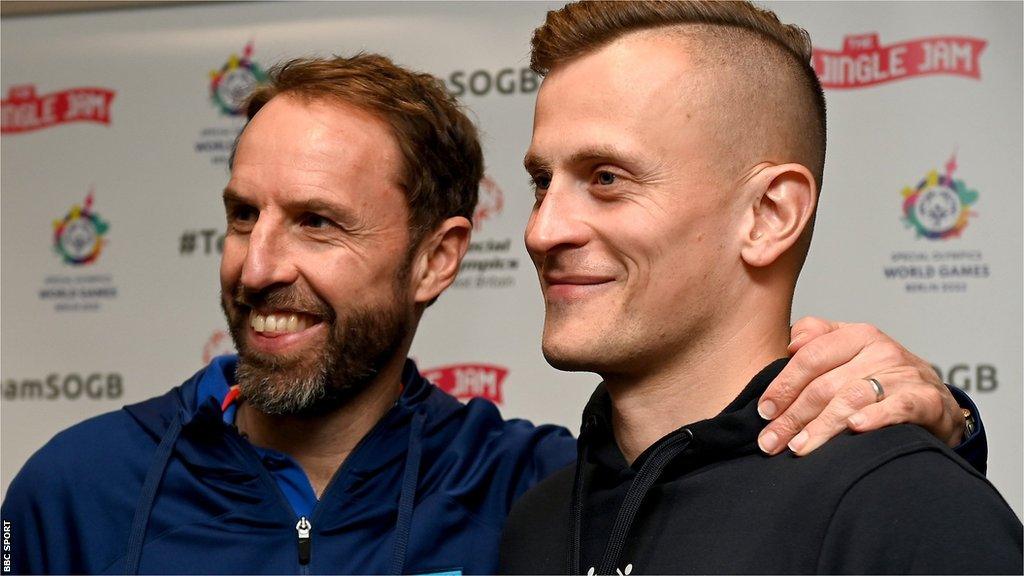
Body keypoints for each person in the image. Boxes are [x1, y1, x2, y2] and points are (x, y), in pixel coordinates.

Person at [0, 50, 987, 574]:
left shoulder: (534, 492)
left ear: (436, 259)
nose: (259, 266)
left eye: (316, 223)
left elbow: (717, 491)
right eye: (240, 215)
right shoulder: (76, 489)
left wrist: (939, 419)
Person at [498, 2, 1023, 574]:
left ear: (768, 216)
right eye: (543, 183)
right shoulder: (538, 521)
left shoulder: (903, 506)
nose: (542, 230)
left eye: (606, 178)